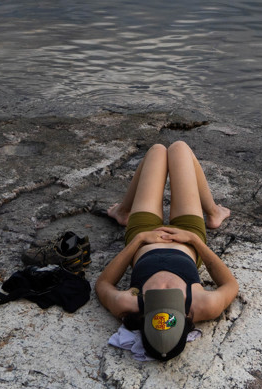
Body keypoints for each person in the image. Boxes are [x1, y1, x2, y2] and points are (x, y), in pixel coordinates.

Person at [96, 141, 238, 361]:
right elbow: (230, 285)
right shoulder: (202, 305)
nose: (164, 297)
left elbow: (103, 284)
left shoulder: (129, 304)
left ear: (144, 322)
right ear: (186, 325)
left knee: (157, 151)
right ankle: (213, 212)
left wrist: (139, 240)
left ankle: (123, 211)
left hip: (144, 237)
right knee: (180, 148)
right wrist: (194, 240)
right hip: (187, 238)